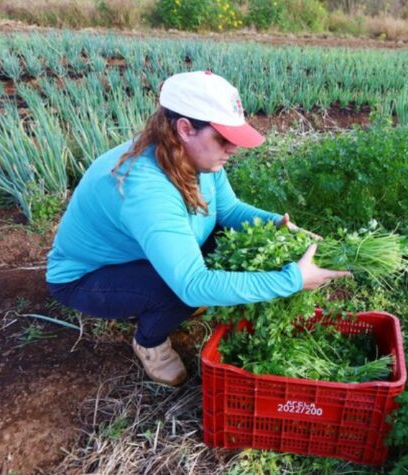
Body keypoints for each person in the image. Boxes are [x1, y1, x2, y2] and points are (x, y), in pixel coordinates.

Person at [46, 71, 351, 386]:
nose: (233, 148)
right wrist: (293, 279)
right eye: (223, 137)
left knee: (228, 246)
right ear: (185, 128)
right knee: (181, 292)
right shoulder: (147, 189)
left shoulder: (194, 156)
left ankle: (151, 298)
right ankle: (149, 342)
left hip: (138, 254)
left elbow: (228, 209)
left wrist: (275, 225)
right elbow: (192, 284)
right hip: (87, 277)